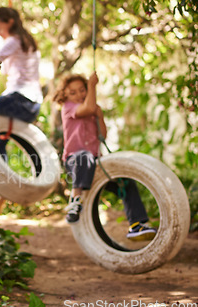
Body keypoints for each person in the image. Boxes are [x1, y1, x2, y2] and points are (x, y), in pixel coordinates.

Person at [53, 72, 156, 241]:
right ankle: (75, 200)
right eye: (73, 92)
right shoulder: (68, 108)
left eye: (82, 90)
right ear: (65, 95)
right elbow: (86, 108)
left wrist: (99, 115)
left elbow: (103, 134)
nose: (79, 95)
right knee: (84, 157)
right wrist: (93, 86)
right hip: (75, 160)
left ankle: (136, 225)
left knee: (126, 183)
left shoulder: (93, 109)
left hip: (96, 165)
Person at [0, 7, 43, 220]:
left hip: (20, 99)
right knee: (0, 141)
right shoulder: (27, 41)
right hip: (31, 104)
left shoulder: (15, 40)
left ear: (8, 22)